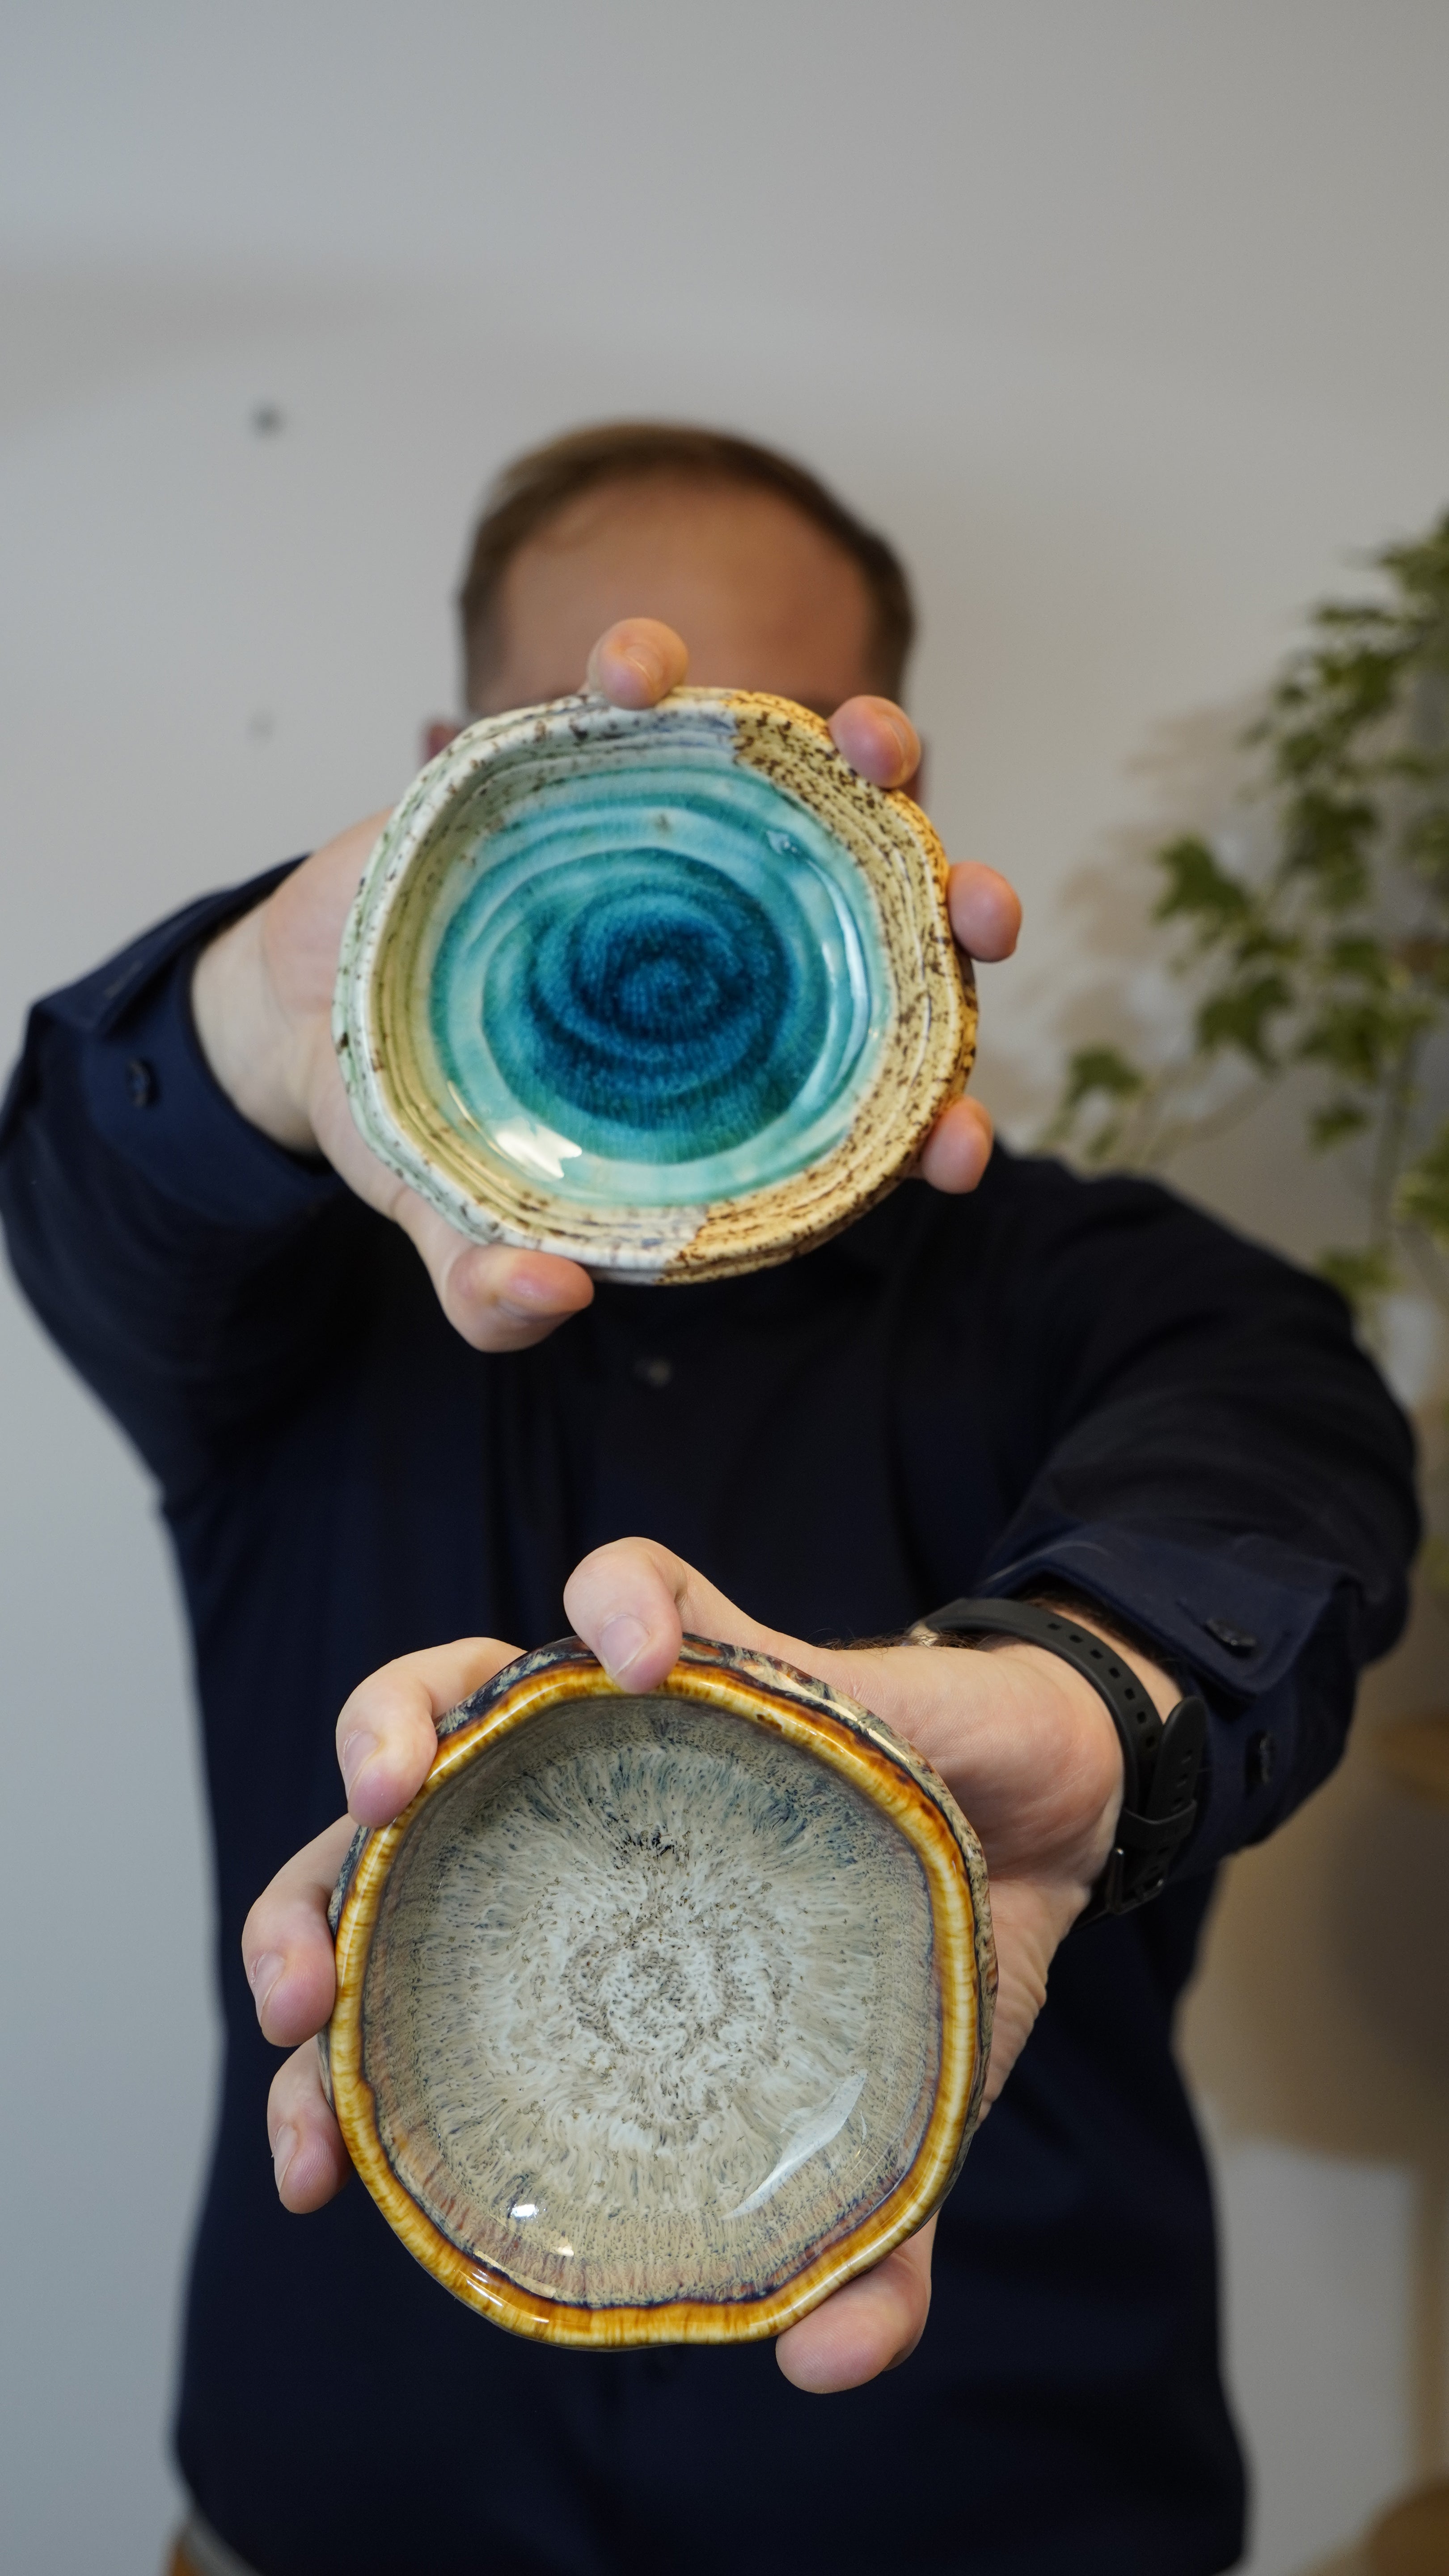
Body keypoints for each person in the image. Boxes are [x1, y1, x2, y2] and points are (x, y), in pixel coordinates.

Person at [0, 423, 1416, 2576]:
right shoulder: (276, 1298)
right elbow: (94, 1177)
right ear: (445, 781)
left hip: (995, 2516)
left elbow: (1276, 1477)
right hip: (336, 2519)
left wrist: (1082, 1697)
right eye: (590, 748)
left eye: (775, 749)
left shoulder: (1101, 1290)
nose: (683, 832)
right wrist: (269, 1007)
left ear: (885, 821)